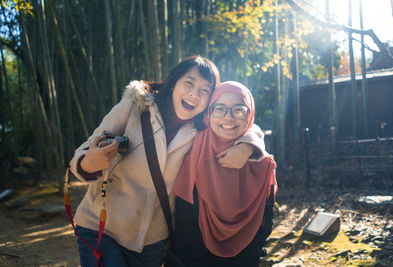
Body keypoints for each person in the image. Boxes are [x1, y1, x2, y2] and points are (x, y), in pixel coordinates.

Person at [68, 56, 266, 267]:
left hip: (153, 240)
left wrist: (247, 146)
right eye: (188, 83)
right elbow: (86, 149)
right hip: (102, 227)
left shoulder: (201, 130)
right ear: (173, 84)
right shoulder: (136, 106)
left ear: (209, 101)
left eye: (204, 91)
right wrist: (89, 163)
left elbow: (244, 122)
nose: (194, 94)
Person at [167, 81, 278, 267]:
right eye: (220, 109)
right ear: (208, 114)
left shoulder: (262, 164)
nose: (228, 118)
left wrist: (249, 146)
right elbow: (185, 233)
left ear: (249, 115)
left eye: (238, 110)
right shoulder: (192, 152)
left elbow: (263, 226)